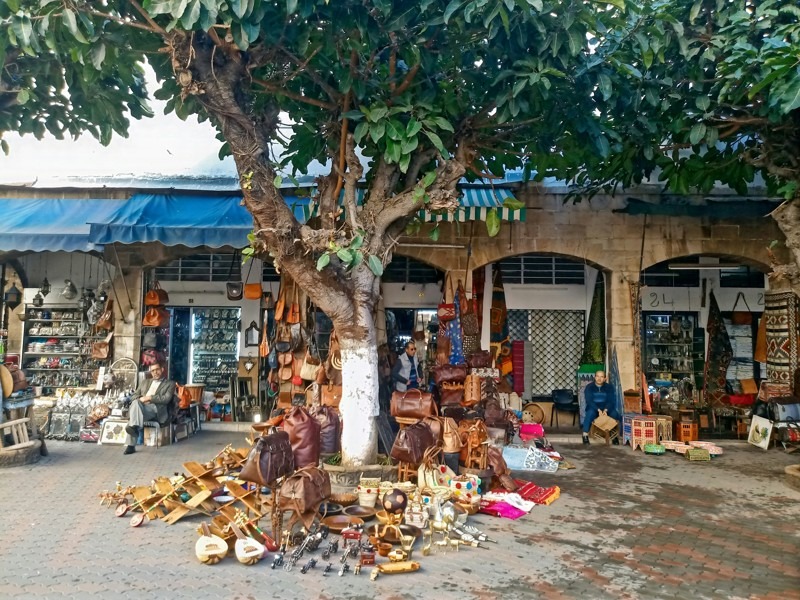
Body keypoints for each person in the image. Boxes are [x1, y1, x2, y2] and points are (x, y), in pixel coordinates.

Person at [123, 362, 176, 455]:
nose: (155, 372)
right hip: (142, 407)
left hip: (156, 409)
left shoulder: (170, 384)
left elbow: (166, 399)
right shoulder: (145, 382)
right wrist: (140, 400)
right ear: (150, 372)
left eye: (157, 370)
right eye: (153, 371)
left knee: (133, 416)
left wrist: (149, 398)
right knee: (136, 402)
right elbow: (134, 395)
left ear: (162, 369)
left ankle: (131, 445)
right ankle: (134, 427)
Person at [583, 370, 620, 445]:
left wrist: (606, 410)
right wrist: (598, 410)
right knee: (589, 413)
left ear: (605, 378)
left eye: (602, 377)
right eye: (597, 376)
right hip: (593, 407)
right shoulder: (589, 387)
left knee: (614, 414)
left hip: (606, 407)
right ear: (595, 377)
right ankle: (585, 435)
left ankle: (614, 436)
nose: (599, 378)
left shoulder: (609, 387)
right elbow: (589, 401)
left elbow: (611, 400)